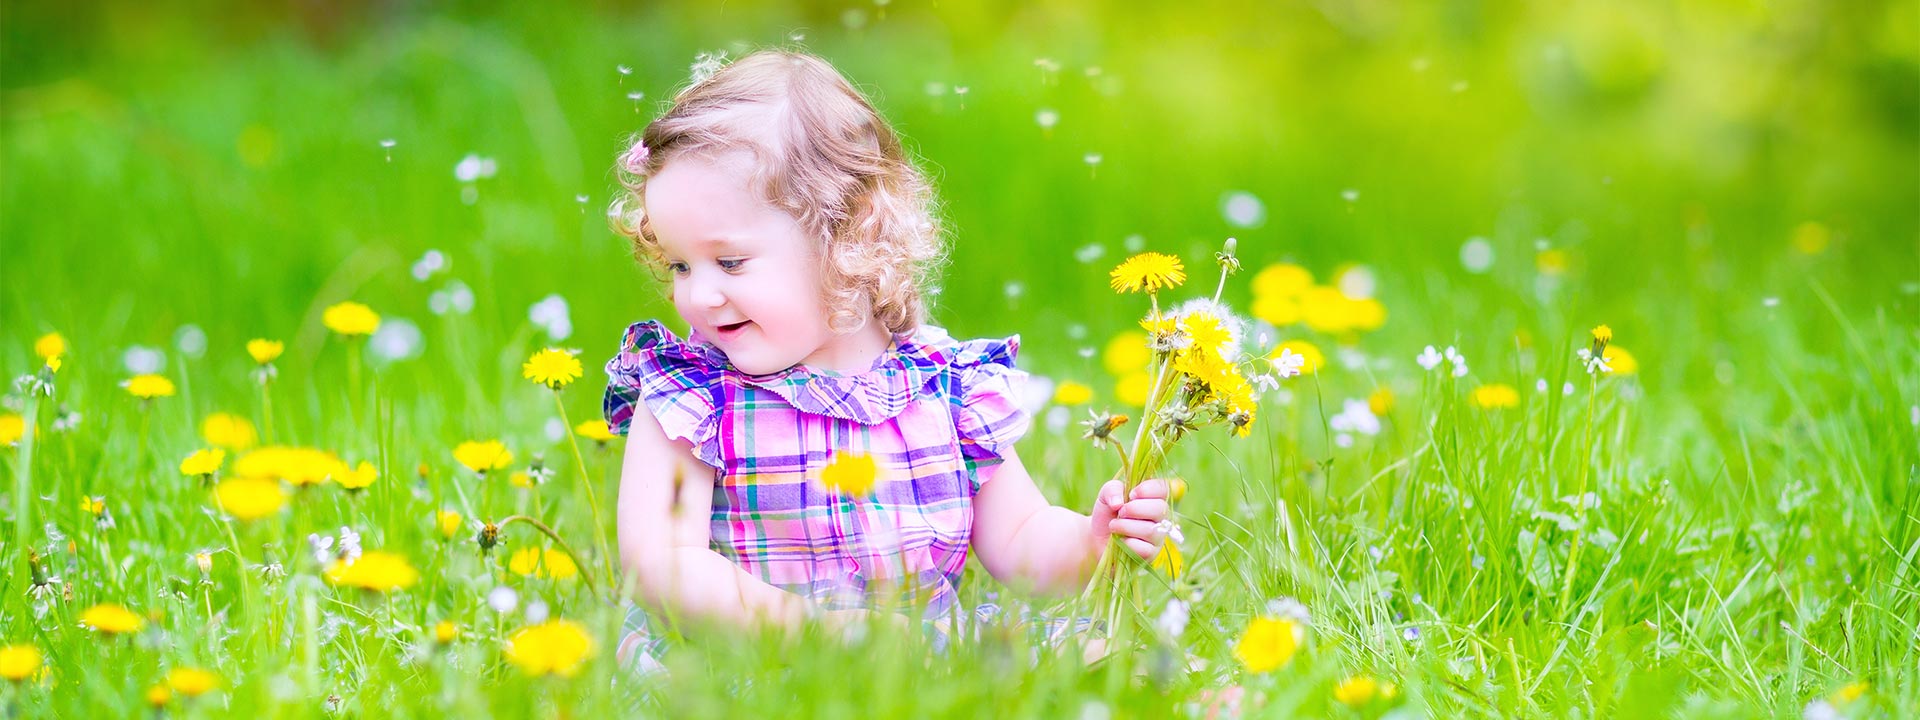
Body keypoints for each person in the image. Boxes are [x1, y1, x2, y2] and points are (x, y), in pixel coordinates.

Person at [602, 50, 1171, 673]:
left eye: (729, 262)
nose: (698, 295)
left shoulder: (942, 385)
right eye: (681, 265)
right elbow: (660, 561)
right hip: (754, 658)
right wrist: (810, 632)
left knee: (1104, 657)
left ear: (847, 236)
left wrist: (1092, 541)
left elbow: (1019, 537)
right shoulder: (694, 396)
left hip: (922, 656)